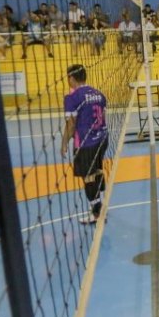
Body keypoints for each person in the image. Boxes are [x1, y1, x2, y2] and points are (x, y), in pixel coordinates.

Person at [60, 64, 109, 225]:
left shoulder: (72, 98)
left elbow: (71, 124)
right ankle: (101, 204)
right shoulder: (99, 94)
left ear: (71, 78)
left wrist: (64, 143)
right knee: (97, 170)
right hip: (102, 139)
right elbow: (103, 115)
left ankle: (96, 213)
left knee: (88, 177)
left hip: (86, 143)